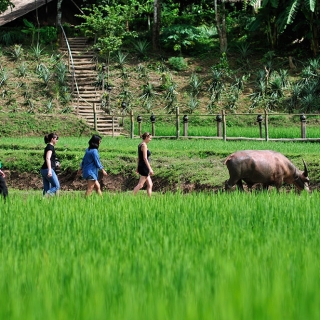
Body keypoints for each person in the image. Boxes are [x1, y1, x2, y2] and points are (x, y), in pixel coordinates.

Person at [133, 132, 154, 197]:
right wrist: (150, 169)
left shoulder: (140, 144)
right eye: (150, 138)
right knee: (140, 184)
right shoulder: (144, 145)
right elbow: (145, 158)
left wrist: (137, 168)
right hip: (144, 167)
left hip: (141, 166)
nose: (150, 139)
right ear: (146, 137)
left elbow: (139, 158)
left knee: (150, 184)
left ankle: (149, 199)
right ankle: (131, 196)